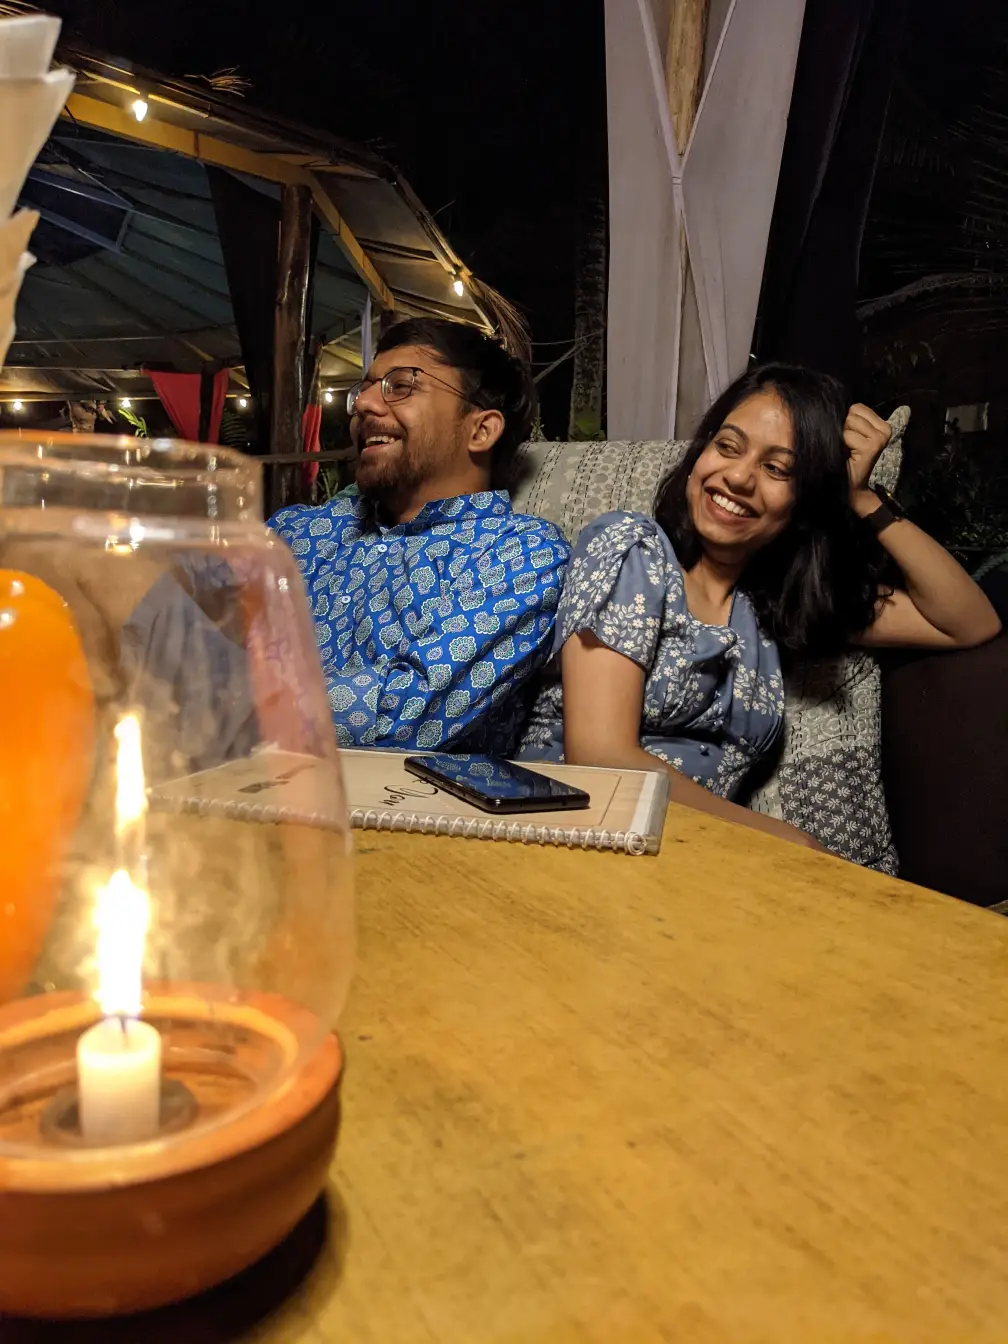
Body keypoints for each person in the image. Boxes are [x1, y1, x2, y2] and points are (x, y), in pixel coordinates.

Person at [519, 364, 1001, 849]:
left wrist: (861, 499)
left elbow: (967, 622)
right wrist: (789, 844)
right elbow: (601, 757)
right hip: (567, 831)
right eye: (728, 446)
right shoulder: (631, 549)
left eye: (777, 469)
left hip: (690, 850)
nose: (737, 477)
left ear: (805, 499)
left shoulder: (776, 607)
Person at [269, 317, 569, 753]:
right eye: (364, 389)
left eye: (401, 386)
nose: (363, 404)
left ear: (481, 430)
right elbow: (179, 631)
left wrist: (223, 703)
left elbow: (406, 713)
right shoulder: (298, 532)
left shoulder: (520, 554)